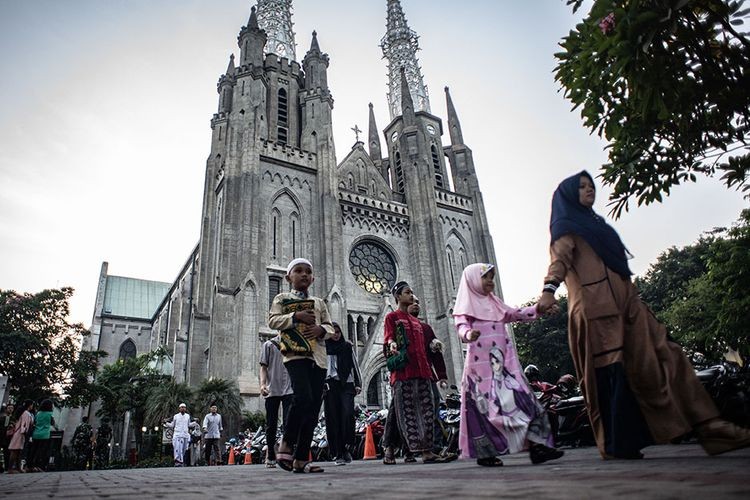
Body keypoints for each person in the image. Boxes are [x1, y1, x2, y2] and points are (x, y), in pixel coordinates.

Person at [537, 170, 750, 459]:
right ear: (568, 194)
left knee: (670, 357)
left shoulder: (596, 225)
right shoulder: (567, 228)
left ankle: (713, 428)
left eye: (592, 186)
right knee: (614, 377)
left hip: (630, 308)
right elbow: (559, 262)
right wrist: (549, 290)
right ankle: (617, 444)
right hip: (598, 314)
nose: (590, 190)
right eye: (582, 187)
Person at [453, 263, 564, 466]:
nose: (490, 281)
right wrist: (469, 334)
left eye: (491, 277)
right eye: (485, 277)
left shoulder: (495, 303)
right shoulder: (466, 307)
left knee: (524, 402)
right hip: (480, 372)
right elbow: (461, 327)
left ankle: (538, 447)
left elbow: (516, 313)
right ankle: (486, 454)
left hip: (503, 369)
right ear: (473, 280)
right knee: (485, 410)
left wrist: (539, 308)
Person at [268, 257, 334, 474]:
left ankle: (301, 459)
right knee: (302, 397)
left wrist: (321, 330)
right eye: (298, 270)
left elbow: (330, 326)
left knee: (314, 409)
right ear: (288, 277)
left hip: (319, 358)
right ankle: (286, 442)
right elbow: (273, 321)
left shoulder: (319, 303)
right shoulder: (281, 298)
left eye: (308, 272)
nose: (304, 274)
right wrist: (295, 316)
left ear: (313, 278)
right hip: (295, 355)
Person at [382, 281, 444, 465]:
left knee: (426, 412)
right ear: (398, 297)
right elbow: (389, 337)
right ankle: (392, 448)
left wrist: (434, 346)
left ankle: (426, 452)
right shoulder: (392, 317)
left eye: (412, 292)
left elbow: (425, 346)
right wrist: (391, 343)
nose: (411, 295)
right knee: (405, 414)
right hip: (403, 373)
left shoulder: (418, 322)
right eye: (407, 292)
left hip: (423, 372)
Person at [324, 321, 362, 465]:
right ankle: (338, 452)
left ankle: (347, 444)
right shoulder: (323, 347)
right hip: (330, 385)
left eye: (338, 332)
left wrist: (358, 383)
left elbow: (355, 364)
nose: (335, 335)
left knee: (347, 413)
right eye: (333, 332)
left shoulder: (347, 346)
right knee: (333, 419)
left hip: (346, 384)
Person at [259, 334, 293, 468]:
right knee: (271, 424)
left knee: (288, 423)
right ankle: (271, 456)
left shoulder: (294, 345)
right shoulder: (268, 345)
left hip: (289, 389)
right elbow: (263, 367)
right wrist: (262, 385)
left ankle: (287, 453)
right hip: (272, 389)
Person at [7, 400, 34, 474]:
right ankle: (11, 468)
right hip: (20, 434)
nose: (32, 406)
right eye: (32, 405)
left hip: (17, 433)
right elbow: (24, 425)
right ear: (29, 405)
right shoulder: (26, 413)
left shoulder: (21, 412)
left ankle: (17, 468)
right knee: (15, 451)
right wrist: (25, 433)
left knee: (17, 451)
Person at [28, 399, 55, 472]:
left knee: (33, 450)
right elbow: (53, 423)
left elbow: (34, 422)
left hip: (36, 434)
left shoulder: (38, 413)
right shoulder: (50, 414)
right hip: (45, 434)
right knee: (42, 451)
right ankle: (39, 466)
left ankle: (30, 466)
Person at [1, 403, 15, 473]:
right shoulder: (3, 417)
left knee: (7, 454)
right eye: (9, 407)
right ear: (6, 409)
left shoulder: (13, 418)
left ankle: (7, 468)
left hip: (9, 439)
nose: (10, 409)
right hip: (3, 438)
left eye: (11, 408)